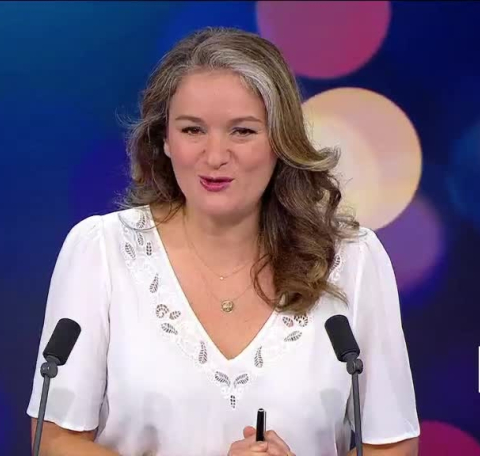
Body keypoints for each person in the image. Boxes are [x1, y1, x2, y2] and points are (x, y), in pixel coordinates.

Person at [26, 26, 420, 456]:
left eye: (243, 131)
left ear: (281, 139)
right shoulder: (101, 251)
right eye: (192, 130)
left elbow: (393, 445)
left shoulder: (351, 260)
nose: (214, 157)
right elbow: (54, 440)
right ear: (165, 140)